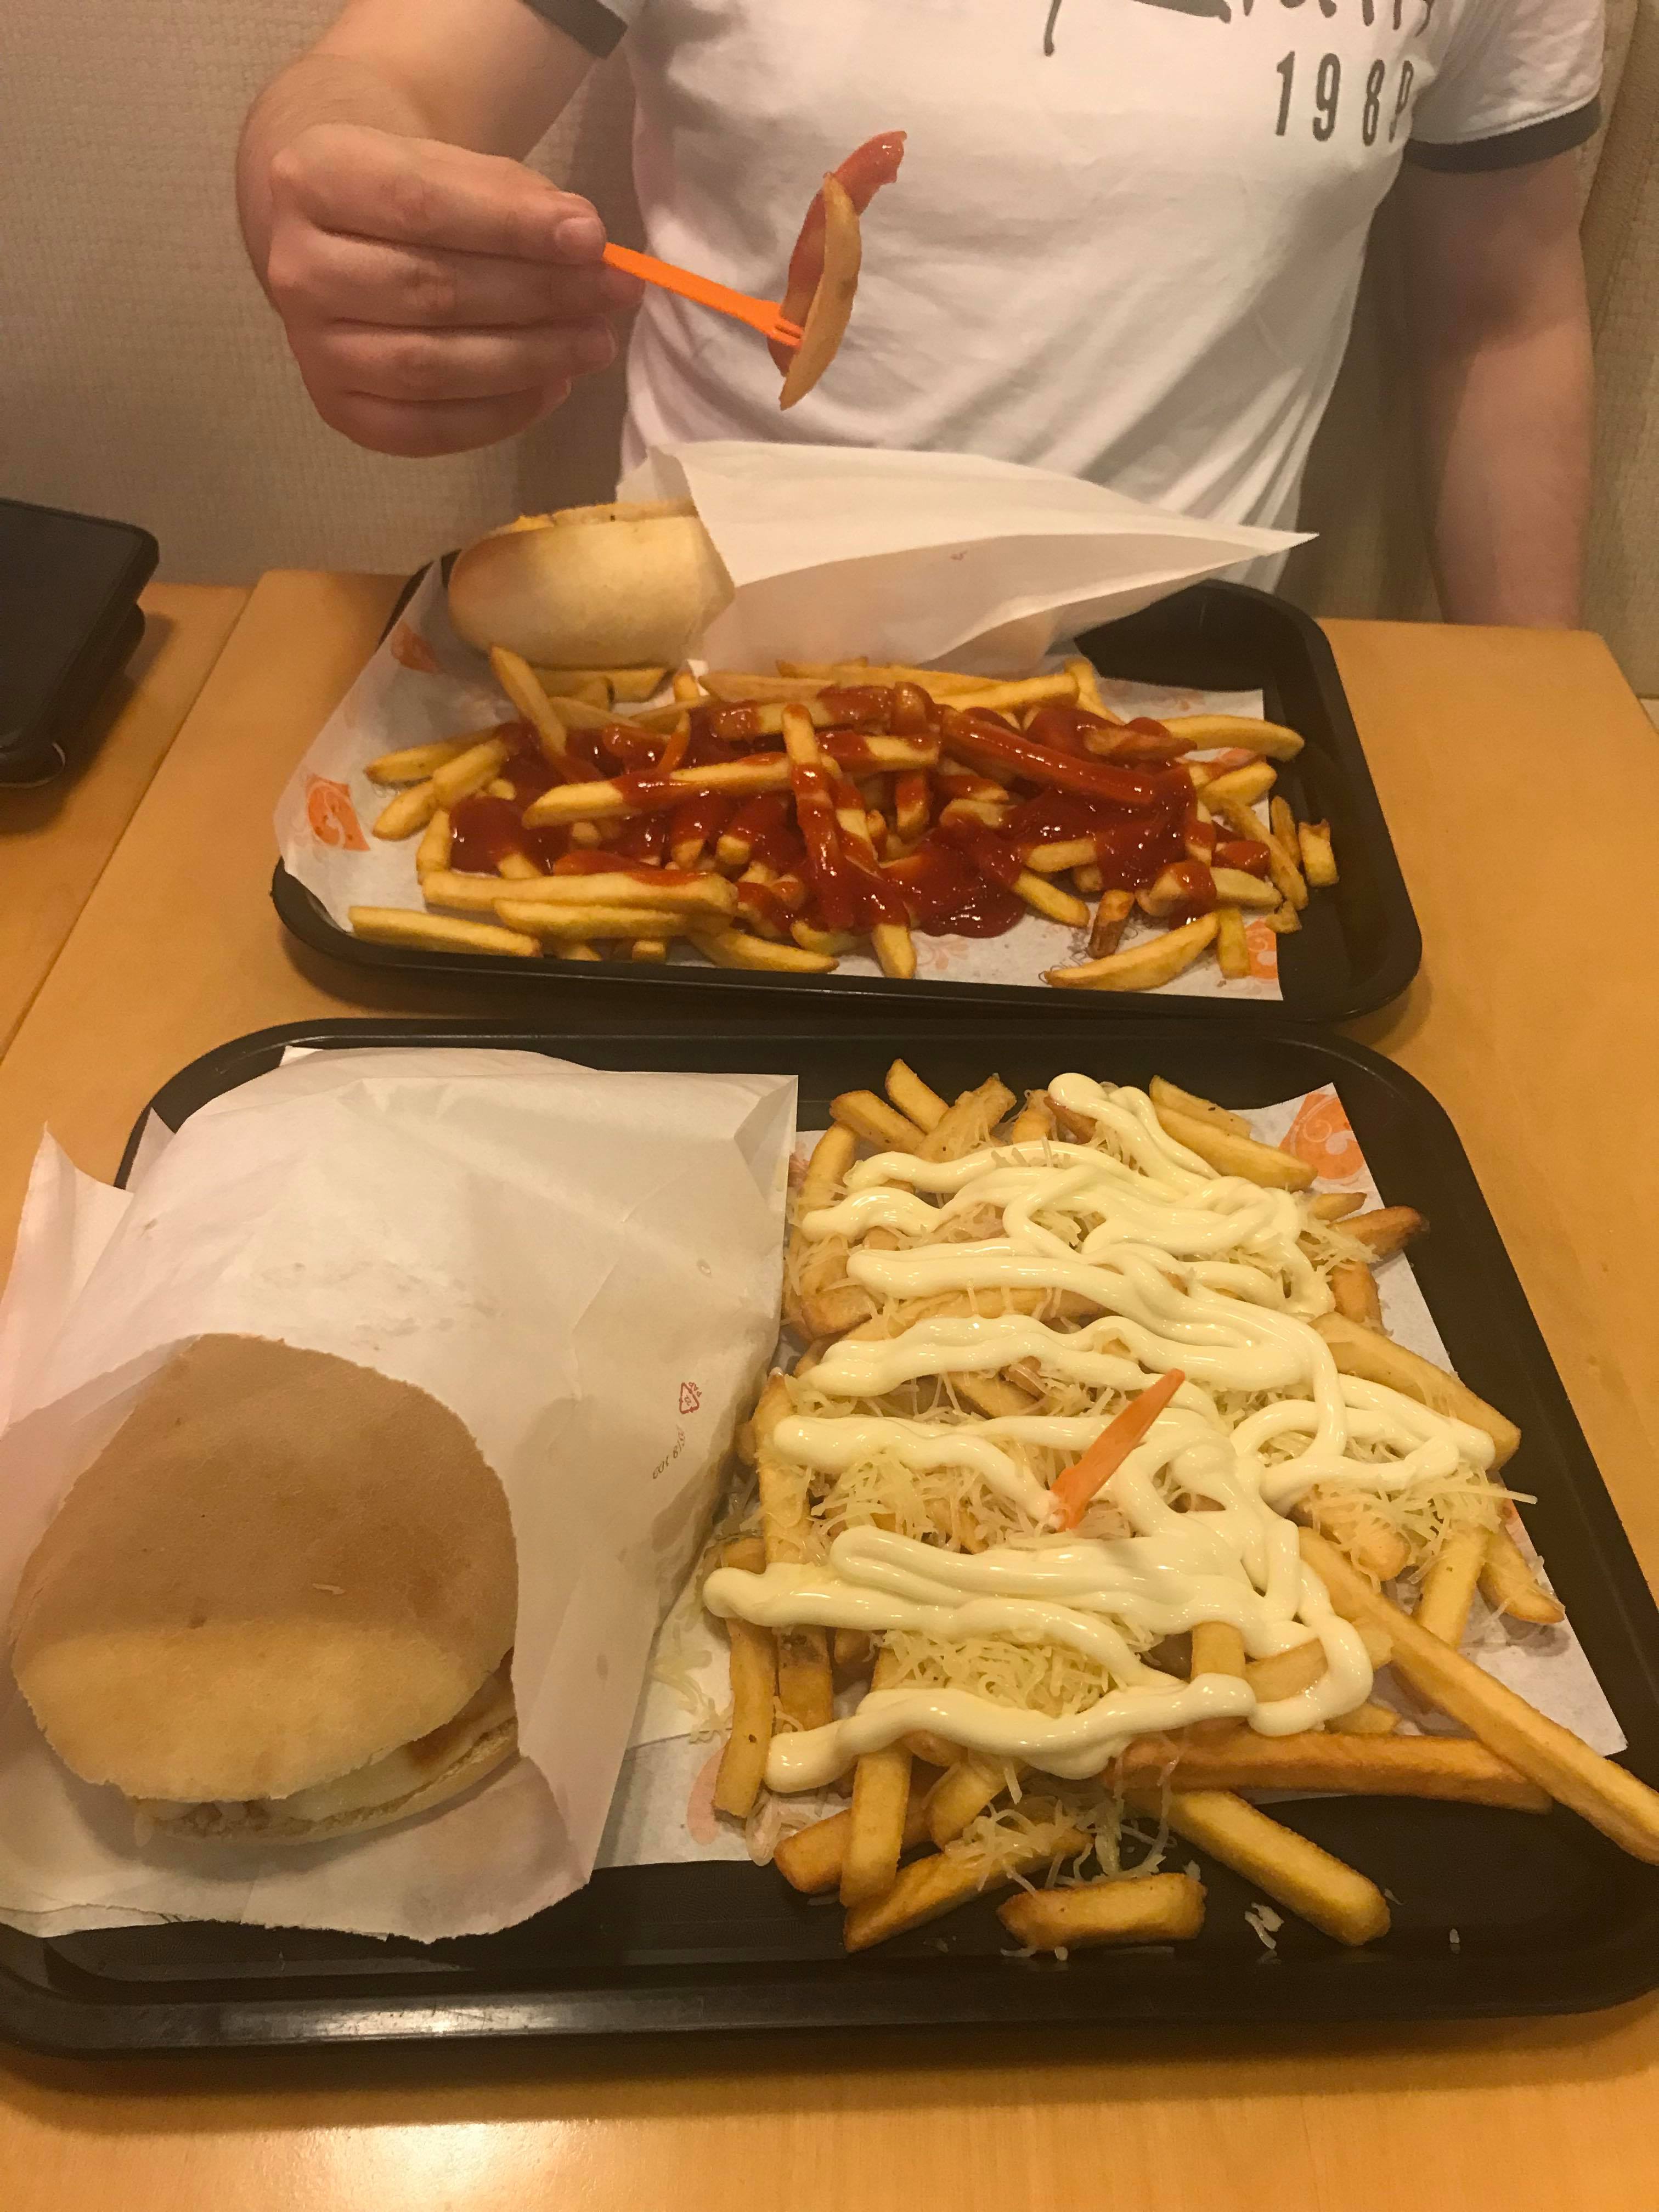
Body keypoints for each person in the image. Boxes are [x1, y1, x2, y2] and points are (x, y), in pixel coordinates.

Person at [238, 0, 1604, 624]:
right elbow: (383, 79)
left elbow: (1503, 319)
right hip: (697, 689)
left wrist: (1538, 721)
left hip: (1181, 731)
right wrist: (325, 196)